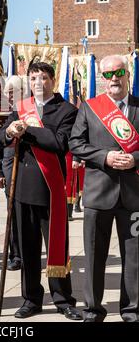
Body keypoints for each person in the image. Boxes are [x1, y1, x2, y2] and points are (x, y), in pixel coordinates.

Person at [0, 62, 82, 320]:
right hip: (23, 188)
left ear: (52, 80)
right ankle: (31, 299)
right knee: (28, 249)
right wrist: (10, 131)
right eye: (33, 78)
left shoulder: (66, 110)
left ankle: (63, 300)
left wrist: (27, 130)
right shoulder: (20, 108)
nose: (38, 83)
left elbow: (59, 143)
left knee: (57, 246)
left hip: (51, 190)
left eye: (43, 78)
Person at [69, 54, 139, 322]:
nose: (114, 79)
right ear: (102, 78)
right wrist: (105, 157)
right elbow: (76, 143)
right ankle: (93, 309)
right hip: (99, 194)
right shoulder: (89, 108)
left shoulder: (138, 107)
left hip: (133, 196)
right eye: (108, 75)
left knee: (133, 258)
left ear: (127, 74)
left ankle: (132, 310)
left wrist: (134, 159)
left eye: (118, 73)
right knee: (94, 256)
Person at [0, 76, 27, 271]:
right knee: (12, 210)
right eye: (8, 91)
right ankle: (16, 255)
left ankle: (30, 251)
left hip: (29, 164)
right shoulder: (4, 113)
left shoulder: (31, 110)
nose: (10, 95)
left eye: (14, 91)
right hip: (8, 162)